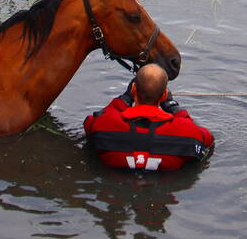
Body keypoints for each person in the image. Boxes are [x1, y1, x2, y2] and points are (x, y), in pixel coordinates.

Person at [84, 63, 214, 171]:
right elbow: (207, 139)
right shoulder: (185, 131)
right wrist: (174, 107)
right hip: (163, 187)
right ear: (164, 95)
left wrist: (123, 100)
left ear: (134, 89)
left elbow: (90, 123)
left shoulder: (105, 124)